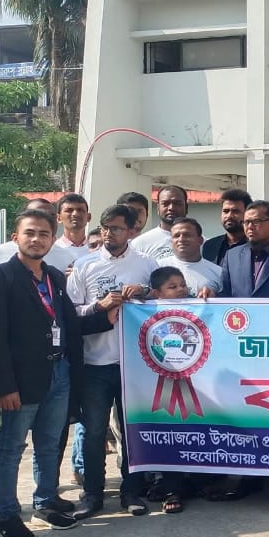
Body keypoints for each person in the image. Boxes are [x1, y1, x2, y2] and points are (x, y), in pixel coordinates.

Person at [0, 209, 111, 537]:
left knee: (49, 443)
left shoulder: (54, 276)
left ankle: (45, 502)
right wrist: (3, 385)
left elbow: (68, 325)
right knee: (11, 447)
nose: (36, 239)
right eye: (30, 233)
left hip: (60, 371)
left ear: (53, 239)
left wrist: (105, 317)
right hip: (19, 380)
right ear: (16, 237)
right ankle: (7, 515)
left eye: (43, 234)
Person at [67, 204, 158, 520]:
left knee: (131, 431)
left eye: (117, 228)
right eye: (105, 227)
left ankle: (131, 492)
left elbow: (166, 298)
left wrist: (146, 292)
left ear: (132, 231)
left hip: (136, 364)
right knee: (94, 431)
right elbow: (70, 313)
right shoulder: (85, 265)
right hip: (95, 363)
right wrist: (98, 306)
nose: (109, 234)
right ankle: (92, 494)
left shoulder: (146, 264)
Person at [216, 200, 269, 502]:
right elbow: (226, 297)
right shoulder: (232, 256)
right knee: (249, 414)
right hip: (244, 350)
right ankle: (250, 475)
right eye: (247, 222)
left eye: (256, 221)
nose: (250, 227)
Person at [0, 198, 77, 274]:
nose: (46, 220)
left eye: (51, 216)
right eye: (37, 214)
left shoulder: (66, 258)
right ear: (15, 237)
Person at [158, 218, 222, 297]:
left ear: (200, 240)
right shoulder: (157, 267)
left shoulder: (218, 273)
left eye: (187, 235)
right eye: (176, 236)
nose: (181, 239)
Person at [131, 185, 188, 260]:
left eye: (177, 203)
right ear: (158, 208)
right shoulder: (139, 244)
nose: (171, 208)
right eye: (165, 203)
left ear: (186, 207)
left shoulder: (199, 242)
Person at [202, 189, 252, 266]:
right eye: (225, 211)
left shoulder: (256, 246)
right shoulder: (210, 246)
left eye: (235, 211)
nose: (229, 216)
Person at [54, 193, 94, 261]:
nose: (75, 214)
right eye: (69, 210)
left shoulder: (99, 250)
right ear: (59, 218)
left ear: (89, 217)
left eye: (80, 210)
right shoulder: (51, 250)